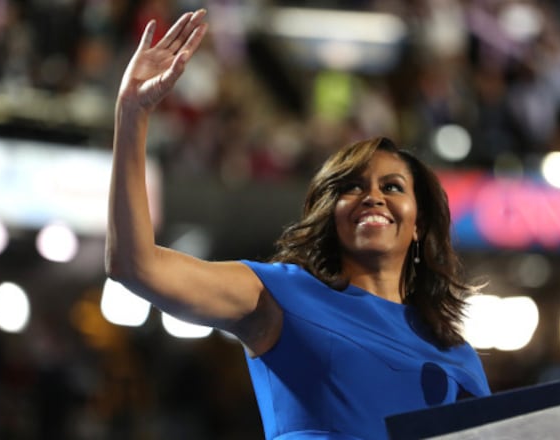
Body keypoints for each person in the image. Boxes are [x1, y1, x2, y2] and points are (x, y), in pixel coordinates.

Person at [106, 9, 491, 440]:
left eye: (393, 187)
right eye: (353, 187)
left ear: (419, 223)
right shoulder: (279, 295)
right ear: (332, 214)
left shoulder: (457, 356)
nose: (374, 196)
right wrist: (132, 114)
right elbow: (135, 265)